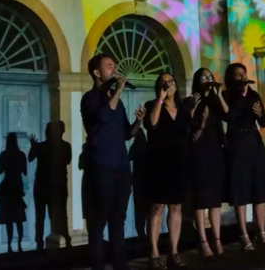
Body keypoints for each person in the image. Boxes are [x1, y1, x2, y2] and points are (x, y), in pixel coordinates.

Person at [80, 53, 146, 270]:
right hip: (101, 168)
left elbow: (127, 134)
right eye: (109, 67)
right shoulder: (89, 98)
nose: (114, 70)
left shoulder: (117, 103)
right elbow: (102, 118)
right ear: (97, 73)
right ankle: (98, 265)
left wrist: (138, 120)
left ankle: (120, 264)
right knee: (98, 222)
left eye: (114, 66)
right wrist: (117, 91)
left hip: (120, 168)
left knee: (118, 219)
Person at [223, 62, 265, 251]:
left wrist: (261, 114)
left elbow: (263, 122)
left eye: (244, 73)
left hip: (254, 143)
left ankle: (261, 232)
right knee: (241, 190)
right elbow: (231, 116)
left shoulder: (254, 95)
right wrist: (243, 94)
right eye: (238, 74)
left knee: (259, 189)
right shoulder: (226, 95)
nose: (242, 76)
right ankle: (244, 235)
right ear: (231, 77)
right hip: (237, 144)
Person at [144, 72, 191, 268]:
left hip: (179, 163)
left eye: (171, 81)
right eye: (163, 82)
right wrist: (160, 100)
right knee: (157, 207)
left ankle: (174, 251)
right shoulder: (152, 105)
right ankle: (154, 253)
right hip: (159, 162)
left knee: (176, 207)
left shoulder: (182, 108)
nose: (167, 85)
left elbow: (189, 132)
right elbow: (152, 124)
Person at [184, 67, 229, 259]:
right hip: (198, 154)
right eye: (204, 76)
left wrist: (218, 95)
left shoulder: (215, 102)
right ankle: (203, 241)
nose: (209, 79)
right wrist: (193, 109)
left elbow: (228, 115)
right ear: (197, 80)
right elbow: (187, 126)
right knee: (201, 200)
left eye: (211, 76)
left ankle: (217, 239)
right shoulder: (190, 101)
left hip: (215, 153)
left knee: (215, 201)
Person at [28, 121, 73, 250]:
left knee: (40, 216)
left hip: (42, 186)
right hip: (58, 186)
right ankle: (66, 239)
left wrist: (34, 147)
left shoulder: (41, 146)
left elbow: (30, 158)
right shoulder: (65, 146)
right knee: (61, 214)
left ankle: (39, 242)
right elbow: (67, 160)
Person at [0, 134, 28, 253]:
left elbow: (0, 170)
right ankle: (19, 243)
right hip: (17, 188)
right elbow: (25, 172)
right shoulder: (21, 155)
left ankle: (9, 244)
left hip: (6, 188)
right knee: (19, 219)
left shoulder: (4, 155)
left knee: (8, 220)